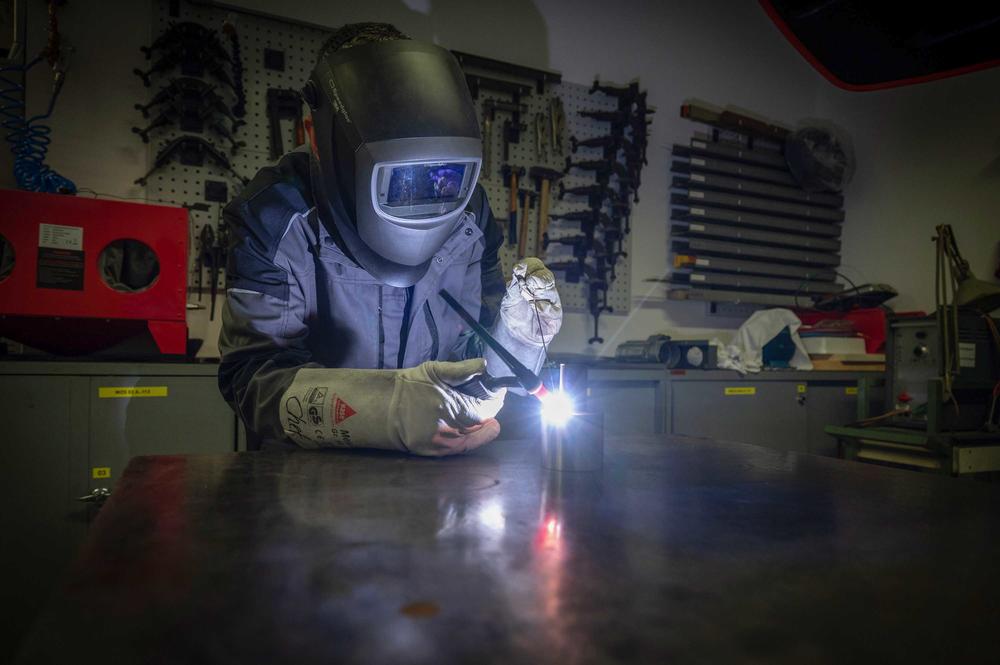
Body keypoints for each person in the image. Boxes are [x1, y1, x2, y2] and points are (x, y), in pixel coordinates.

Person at [217, 23, 562, 455]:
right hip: (311, 484)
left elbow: (473, 351)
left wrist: (515, 343)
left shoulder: (468, 210)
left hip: (438, 481)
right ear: (314, 134)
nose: (421, 194)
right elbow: (252, 378)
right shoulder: (274, 217)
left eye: (437, 177)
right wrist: (387, 409)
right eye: (396, 181)